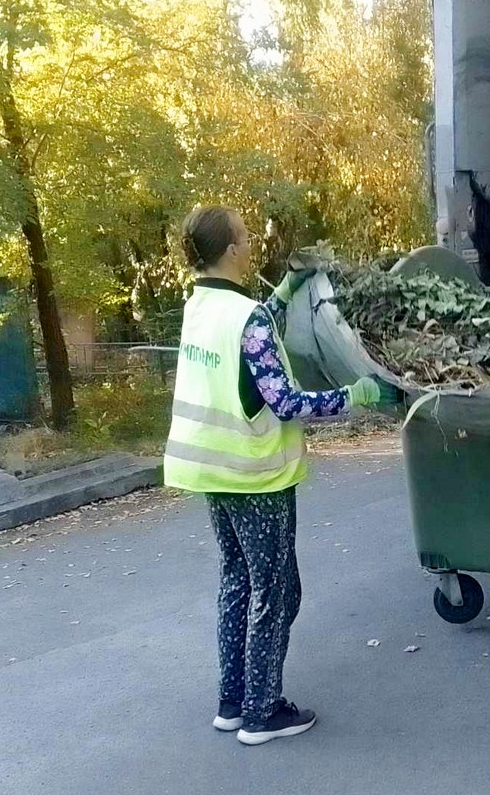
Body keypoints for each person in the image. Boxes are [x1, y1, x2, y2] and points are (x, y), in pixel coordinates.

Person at [164, 205, 400, 746]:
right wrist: (356, 395)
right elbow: (286, 402)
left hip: (210, 469)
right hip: (256, 475)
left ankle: (233, 699)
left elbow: (249, 339)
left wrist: (287, 291)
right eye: (244, 238)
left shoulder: (200, 307)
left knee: (237, 581)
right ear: (229, 251)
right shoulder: (247, 319)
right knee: (276, 591)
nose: (250, 246)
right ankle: (262, 711)